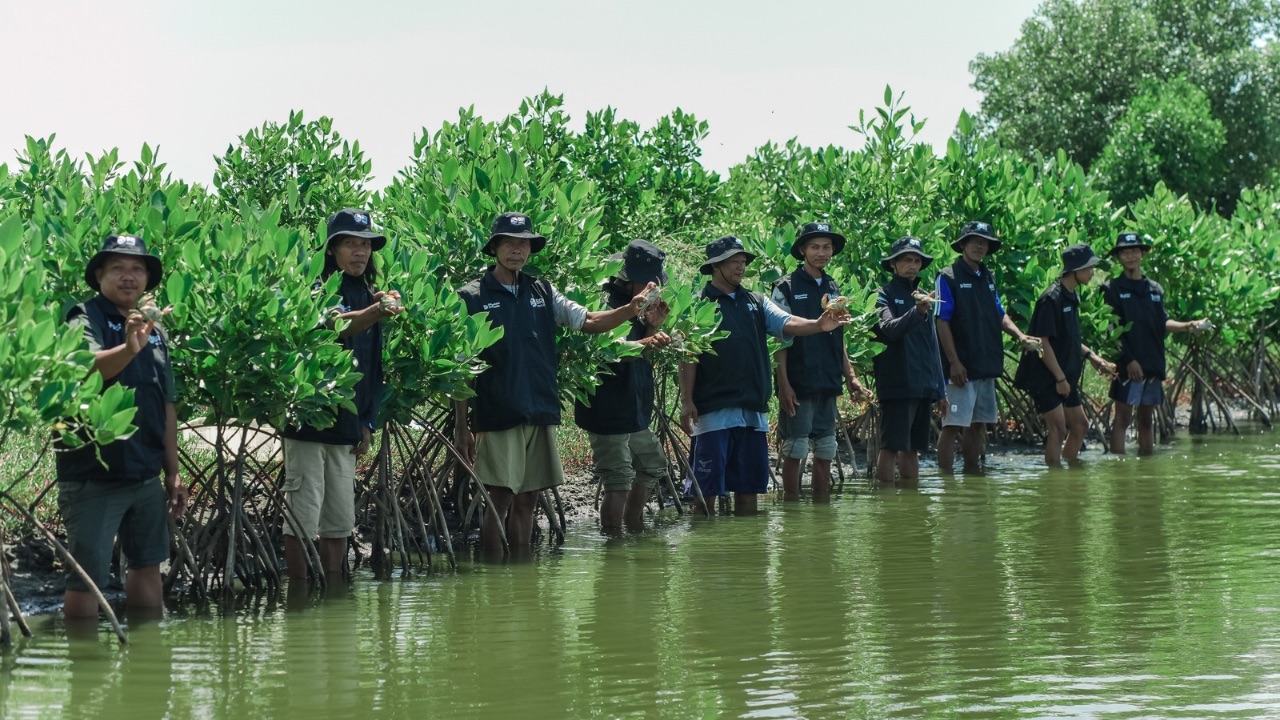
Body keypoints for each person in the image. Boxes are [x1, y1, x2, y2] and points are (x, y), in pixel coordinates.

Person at [456, 212, 652, 551]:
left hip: (540, 410)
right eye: (509, 243)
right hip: (499, 412)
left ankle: (519, 571)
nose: (517, 250)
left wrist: (631, 310)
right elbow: (460, 368)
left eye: (524, 244)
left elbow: (588, 320)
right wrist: (462, 427)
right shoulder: (472, 296)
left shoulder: (543, 290)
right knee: (499, 498)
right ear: (494, 248)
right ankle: (492, 574)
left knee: (529, 498)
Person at [56, 234, 189, 620]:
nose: (128, 276)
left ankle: (148, 664)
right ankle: (84, 670)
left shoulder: (156, 332)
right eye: (118, 268)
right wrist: (129, 348)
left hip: (145, 474)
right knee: (87, 578)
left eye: (137, 268)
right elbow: (88, 369)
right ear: (99, 275)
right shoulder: (83, 317)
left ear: (147, 278)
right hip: (94, 475)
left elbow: (166, 405)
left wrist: (173, 472)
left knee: (147, 564)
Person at [679, 236, 850, 515]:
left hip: (753, 414)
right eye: (734, 262)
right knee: (705, 491)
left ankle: (749, 555)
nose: (741, 267)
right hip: (713, 413)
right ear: (716, 266)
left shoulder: (756, 301)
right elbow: (688, 356)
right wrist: (687, 401)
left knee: (749, 492)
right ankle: (703, 552)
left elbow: (787, 322)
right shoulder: (698, 304)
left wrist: (819, 324)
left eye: (743, 262)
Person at [281, 208, 401, 587]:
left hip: (348, 427)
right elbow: (338, 325)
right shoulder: (316, 288)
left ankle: (334, 591)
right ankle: (298, 596)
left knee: (339, 521)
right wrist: (378, 311)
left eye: (365, 245)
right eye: (350, 243)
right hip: (309, 423)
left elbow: (374, 367)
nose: (360, 252)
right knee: (301, 516)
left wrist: (368, 422)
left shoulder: (369, 292)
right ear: (333, 249)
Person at [574, 240, 673, 534]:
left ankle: (634, 528)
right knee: (618, 481)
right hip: (607, 409)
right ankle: (613, 544)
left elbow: (641, 353)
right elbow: (604, 349)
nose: (652, 288)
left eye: (654, 282)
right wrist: (644, 339)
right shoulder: (606, 303)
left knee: (654, 465)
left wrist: (652, 327)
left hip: (633, 406)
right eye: (645, 282)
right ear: (626, 278)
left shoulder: (642, 305)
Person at [771, 222, 869, 502]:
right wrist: (783, 383)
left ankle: (821, 508)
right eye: (815, 247)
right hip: (798, 381)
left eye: (827, 247)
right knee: (796, 446)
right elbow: (779, 337)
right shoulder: (785, 287)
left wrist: (850, 376)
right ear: (802, 250)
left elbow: (838, 336)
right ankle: (791, 506)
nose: (821, 252)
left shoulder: (832, 286)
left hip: (827, 380)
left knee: (826, 448)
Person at [934, 221, 1038, 473]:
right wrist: (954, 362)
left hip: (985, 365)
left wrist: (1020, 335)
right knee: (951, 425)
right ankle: (946, 480)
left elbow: (999, 313)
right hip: (961, 368)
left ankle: (972, 475)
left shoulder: (987, 277)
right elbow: (941, 320)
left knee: (978, 424)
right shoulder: (947, 276)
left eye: (984, 242)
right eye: (974, 241)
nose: (979, 246)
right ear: (963, 245)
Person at [1103, 232, 1209, 455]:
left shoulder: (1154, 290)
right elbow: (1111, 330)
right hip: (1127, 366)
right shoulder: (1112, 289)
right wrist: (1128, 360)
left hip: (1152, 363)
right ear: (1119, 257)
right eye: (1124, 252)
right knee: (1122, 418)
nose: (1130, 256)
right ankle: (1118, 468)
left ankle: (1146, 467)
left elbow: (1164, 322)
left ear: (1142, 254)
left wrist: (1189, 325)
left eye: (1134, 251)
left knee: (1146, 420)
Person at [1013, 243, 1117, 467]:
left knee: (1080, 426)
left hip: (1064, 376)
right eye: (1089, 268)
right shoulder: (1051, 298)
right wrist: (1059, 378)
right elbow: (1043, 342)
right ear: (1075, 269)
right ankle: (1055, 479)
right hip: (1046, 376)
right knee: (1058, 429)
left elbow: (1069, 339)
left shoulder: (1072, 296)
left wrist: (1093, 357)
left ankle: (1068, 475)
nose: (1091, 273)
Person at [871, 236, 946, 488]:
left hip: (923, 385)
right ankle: (887, 505)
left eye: (916, 260)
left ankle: (911, 508)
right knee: (890, 446)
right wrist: (918, 311)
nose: (912, 265)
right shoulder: (882, 295)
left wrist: (940, 390)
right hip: (897, 384)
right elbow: (888, 329)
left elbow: (933, 345)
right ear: (893, 264)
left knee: (913, 449)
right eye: (906, 260)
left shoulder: (924, 296)